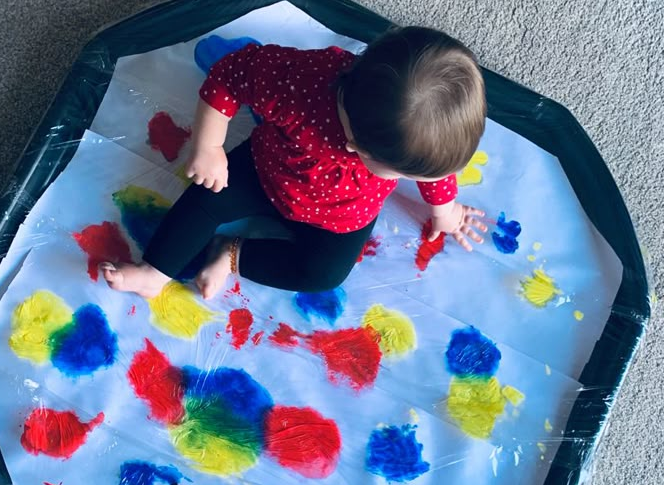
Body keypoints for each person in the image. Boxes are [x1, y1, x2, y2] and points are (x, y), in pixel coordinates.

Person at [101, 26, 488, 300]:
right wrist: (209, 146)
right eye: (405, 174)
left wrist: (446, 210)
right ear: (357, 149)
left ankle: (232, 253)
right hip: (264, 172)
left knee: (324, 274)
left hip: (341, 217)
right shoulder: (298, 81)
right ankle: (154, 273)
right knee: (202, 199)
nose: (417, 180)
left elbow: (435, 172)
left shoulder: (404, 138)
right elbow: (230, 75)